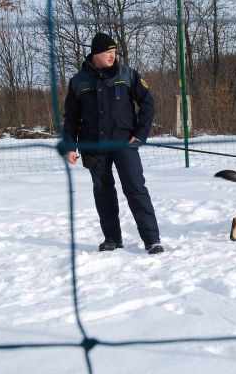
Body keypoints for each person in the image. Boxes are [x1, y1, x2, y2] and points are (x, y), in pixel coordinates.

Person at [63, 32, 163, 255]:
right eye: (107, 52)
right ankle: (112, 238)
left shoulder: (127, 75)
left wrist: (141, 134)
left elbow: (147, 103)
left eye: (114, 52)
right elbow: (71, 117)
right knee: (103, 192)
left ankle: (152, 239)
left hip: (125, 144)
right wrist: (70, 146)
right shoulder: (78, 82)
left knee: (136, 188)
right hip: (93, 147)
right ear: (95, 54)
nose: (112, 56)